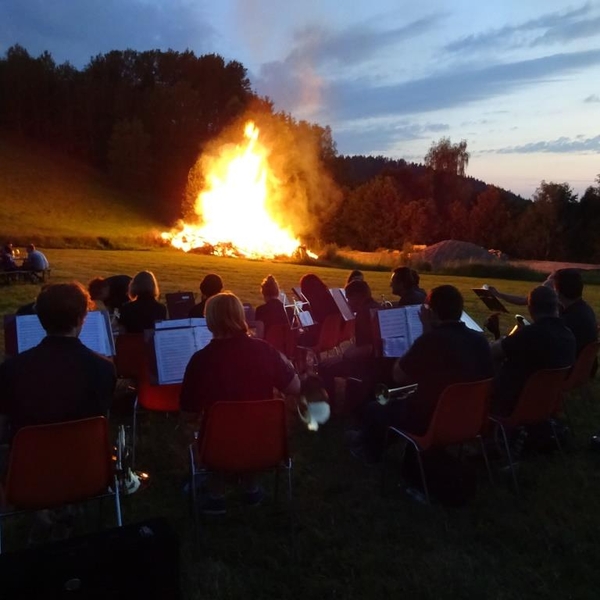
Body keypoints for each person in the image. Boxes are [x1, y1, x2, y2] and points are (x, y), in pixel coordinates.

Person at [180, 292, 300, 514]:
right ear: (240, 317)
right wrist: (284, 361)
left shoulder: (200, 360)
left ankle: (216, 494)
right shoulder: (264, 350)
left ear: (210, 321)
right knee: (250, 422)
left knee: (215, 428)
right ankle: (251, 488)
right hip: (265, 445)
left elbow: (188, 414)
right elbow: (295, 388)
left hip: (218, 448)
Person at [353, 285, 494, 462]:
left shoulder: (430, 340)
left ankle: (368, 454)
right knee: (398, 406)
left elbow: (398, 375)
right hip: (470, 419)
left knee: (376, 407)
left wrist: (425, 334)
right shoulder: (480, 340)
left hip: (431, 420)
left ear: (431, 312)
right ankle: (363, 438)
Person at [0, 282, 116, 440]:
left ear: (40, 319)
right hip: (84, 459)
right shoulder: (104, 368)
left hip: (30, 460)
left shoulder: (11, 369)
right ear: (79, 319)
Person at [491, 286, 576, 416]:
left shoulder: (529, 335)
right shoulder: (568, 334)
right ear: (557, 307)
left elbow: (492, 352)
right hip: (546, 402)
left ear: (530, 308)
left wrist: (501, 337)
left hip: (513, 403)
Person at [318, 279, 381, 410]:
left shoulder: (363, 314)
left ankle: (331, 408)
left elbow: (366, 349)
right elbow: (362, 342)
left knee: (324, 366)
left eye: (349, 298)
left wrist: (342, 357)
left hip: (366, 364)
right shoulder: (377, 307)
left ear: (357, 296)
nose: (348, 303)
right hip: (377, 361)